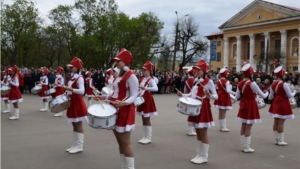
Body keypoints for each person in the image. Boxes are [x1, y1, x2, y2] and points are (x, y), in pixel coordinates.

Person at [96, 48, 138, 169]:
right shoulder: (118, 76)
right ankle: (123, 166)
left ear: (125, 61)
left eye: (118, 61)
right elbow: (114, 93)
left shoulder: (131, 76)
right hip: (114, 109)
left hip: (124, 110)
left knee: (126, 143)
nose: (116, 63)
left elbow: (134, 95)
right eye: (115, 61)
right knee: (120, 142)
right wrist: (103, 97)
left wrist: (124, 103)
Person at [177, 60, 218, 164]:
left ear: (203, 70)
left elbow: (216, 97)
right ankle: (199, 154)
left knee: (203, 133)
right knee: (198, 133)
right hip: (195, 108)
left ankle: (204, 156)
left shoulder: (209, 81)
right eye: (196, 69)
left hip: (203, 108)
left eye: (199, 69)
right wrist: (182, 95)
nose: (196, 71)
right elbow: (191, 94)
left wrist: (208, 94)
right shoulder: (196, 80)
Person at [235, 63, 269, 153]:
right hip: (251, 104)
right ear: (250, 74)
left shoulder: (240, 83)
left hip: (243, 104)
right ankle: (246, 147)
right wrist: (267, 93)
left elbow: (237, 96)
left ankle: (243, 145)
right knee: (249, 126)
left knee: (243, 125)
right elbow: (263, 96)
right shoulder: (252, 83)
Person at [62, 57, 87, 154]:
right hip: (72, 102)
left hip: (77, 103)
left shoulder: (80, 78)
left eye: (72, 67)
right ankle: (75, 144)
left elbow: (82, 91)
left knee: (78, 124)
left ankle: (79, 146)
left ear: (77, 68)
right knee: (74, 124)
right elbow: (69, 90)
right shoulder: (73, 77)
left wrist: (69, 89)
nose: (70, 68)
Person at [268, 66, 296, 146]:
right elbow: (290, 95)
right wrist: (294, 92)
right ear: (282, 75)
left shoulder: (273, 84)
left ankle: (276, 139)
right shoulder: (285, 84)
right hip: (283, 103)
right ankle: (280, 140)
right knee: (281, 122)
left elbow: (270, 97)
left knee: (276, 121)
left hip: (275, 102)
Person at [136, 61, 158, 144]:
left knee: (147, 118)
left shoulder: (151, 79)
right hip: (142, 98)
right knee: (143, 118)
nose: (143, 71)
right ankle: (144, 136)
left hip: (147, 99)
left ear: (149, 71)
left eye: (145, 70)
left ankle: (148, 137)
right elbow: (140, 90)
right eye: (143, 70)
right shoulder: (142, 79)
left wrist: (145, 88)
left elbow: (156, 88)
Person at [184, 67, 197, 136]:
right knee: (194, 114)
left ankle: (190, 129)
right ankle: (191, 130)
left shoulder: (186, 81)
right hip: (194, 98)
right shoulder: (195, 80)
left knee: (190, 113)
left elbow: (185, 91)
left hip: (189, 98)